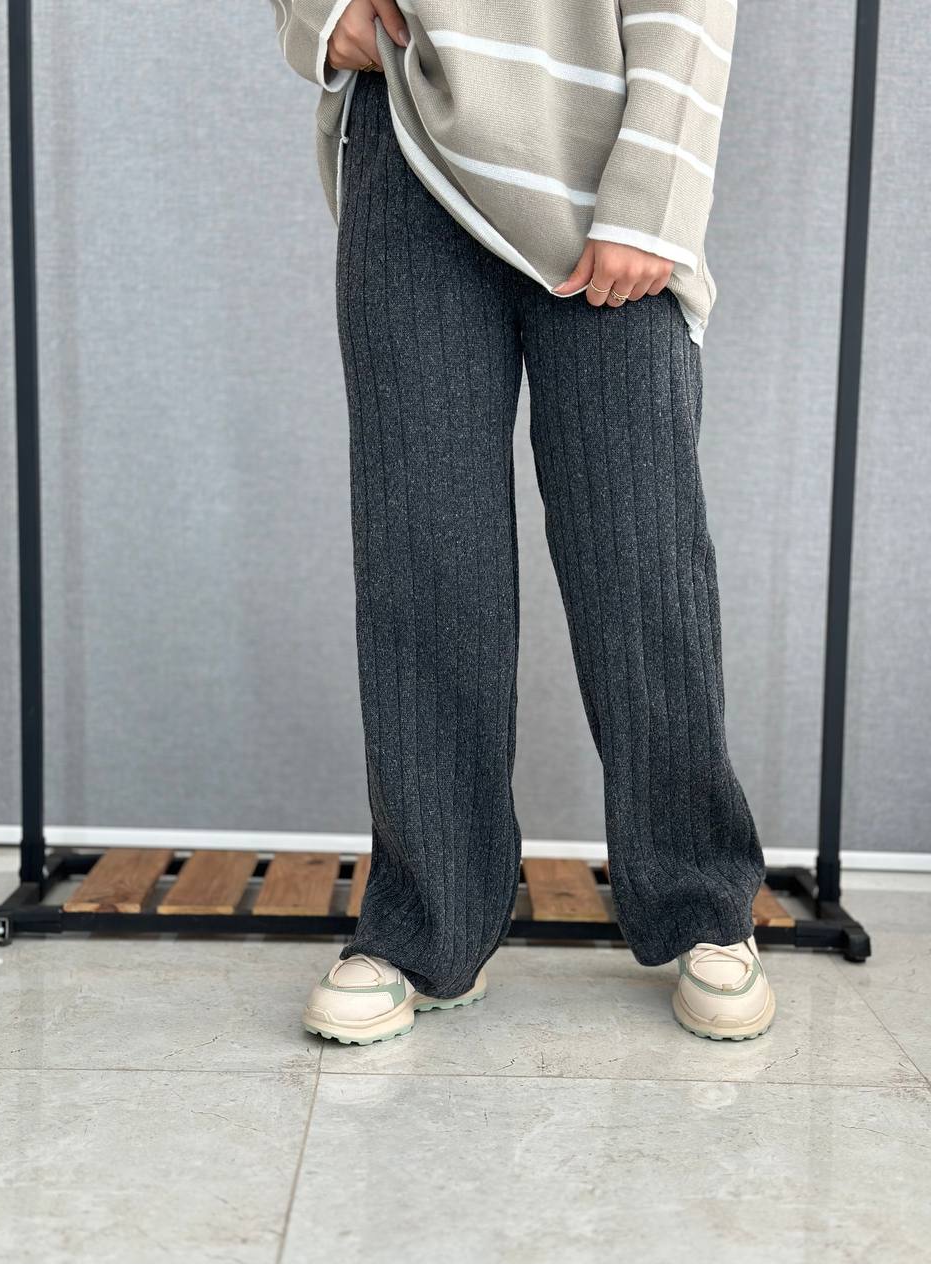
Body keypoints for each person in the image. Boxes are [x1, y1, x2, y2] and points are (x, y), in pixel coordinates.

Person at [269, 0, 776, 1044]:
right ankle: (426, 926)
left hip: (602, 168)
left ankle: (701, 902)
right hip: (411, 151)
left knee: (641, 558)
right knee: (422, 552)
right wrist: (319, 16)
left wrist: (654, 196)